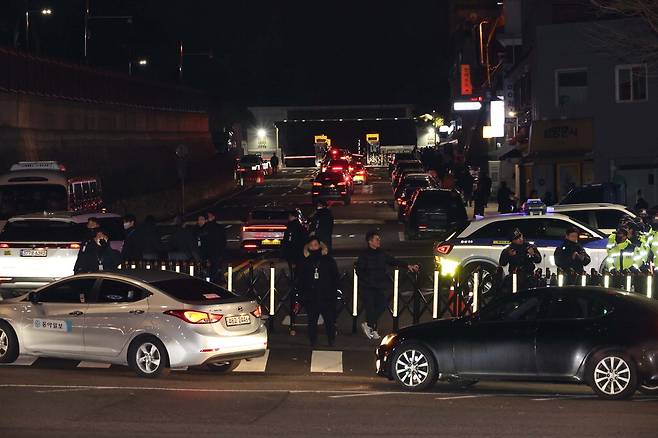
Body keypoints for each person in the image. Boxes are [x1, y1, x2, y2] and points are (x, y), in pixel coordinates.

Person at [355, 230, 420, 340]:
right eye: (376, 239)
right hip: (367, 287)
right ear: (370, 241)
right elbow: (359, 271)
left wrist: (407, 265)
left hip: (379, 286)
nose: (379, 241)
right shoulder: (364, 255)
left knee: (382, 305)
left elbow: (393, 261)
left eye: (379, 239)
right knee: (370, 308)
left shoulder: (381, 253)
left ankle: (369, 325)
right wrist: (367, 281)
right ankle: (373, 328)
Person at [297, 237, 339, 347]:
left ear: (319, 246)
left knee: (329, 320)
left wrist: (334, 292)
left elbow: (335, 276)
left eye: (316, 244)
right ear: (308, 247)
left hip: (326, 295)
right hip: (311, 296)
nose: (314, 247)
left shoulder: (328, 260)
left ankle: (331, 339)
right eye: (311, 245)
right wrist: (302, 295)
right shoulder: (305, 261)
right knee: (312, 320)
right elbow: (300, 279)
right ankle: (313, 340)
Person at [198, 211, 227, 283]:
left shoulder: (204, 228)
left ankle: (208, 283)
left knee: (207, 271)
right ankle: (215, 282)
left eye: (209, 216)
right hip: (216, 253)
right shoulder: (219, 227)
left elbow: (201, 241)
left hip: (207, 253)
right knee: (215, 270)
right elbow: (223, 241)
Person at [282, 211, 308, 280]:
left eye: (290, 216)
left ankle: (295, 281)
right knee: (296, 268)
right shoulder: (297, 226)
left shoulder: (293, 226)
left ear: (294, 216)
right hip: (297, 251)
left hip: (294, 250)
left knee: (295, 268)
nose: (289, 218)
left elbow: (288, 239)